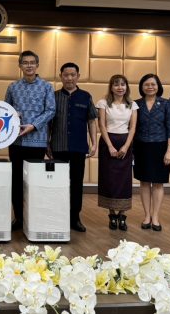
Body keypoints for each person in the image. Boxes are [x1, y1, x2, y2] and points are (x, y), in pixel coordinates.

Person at [5, 50, 56, 230]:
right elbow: (6, 112)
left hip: (38, 141)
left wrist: (33, 125)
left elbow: (51, 110)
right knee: (16, 182)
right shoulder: (12, 87)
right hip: (16, 142)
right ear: (20, 65)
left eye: (32, 62)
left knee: (34, 183)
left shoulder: (47, 87)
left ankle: (33, 218)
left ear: (37, 65)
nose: (29, 65)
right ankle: (19, 218)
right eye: (25, 62)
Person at [48, 62, 97, 233]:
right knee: (58, 184)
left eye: (73, 75)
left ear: (78, 76)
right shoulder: (53, 96)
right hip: (58, 146)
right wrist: (47, 143)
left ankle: (75, 217)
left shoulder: (86, 96)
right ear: (60, 76)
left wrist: (94, 143)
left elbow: (92, 121)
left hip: (78, 147)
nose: (69, 78)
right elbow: (48, 123)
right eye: (66, 75)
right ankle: (58, 216)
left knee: (76, 184)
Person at [133, 73, 170, 232]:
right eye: (146, 84)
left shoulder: (167, 104)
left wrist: (169, 150)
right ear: (142, 87)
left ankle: (156, 216)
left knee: (158, 183)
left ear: (158, 86)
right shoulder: (136, 104)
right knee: (144, 182)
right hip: (141, 146)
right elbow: (132, 128)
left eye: (153, 84)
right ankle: (147, 216)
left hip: (161, 147)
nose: (150, 87)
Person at [96, 74, 138, 231]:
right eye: (116, 84)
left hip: (125, 142)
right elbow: (102, 125)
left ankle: (122, 214)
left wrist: (126, 146)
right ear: (111, 87)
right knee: (109, 179)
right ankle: (112, 214)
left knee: (124, 180)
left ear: (127, 87)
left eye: (123, 84)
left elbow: (133, 128)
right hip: (108, 142)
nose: (120, 87)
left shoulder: (132, 104)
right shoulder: (103, 103)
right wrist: (110, 146)